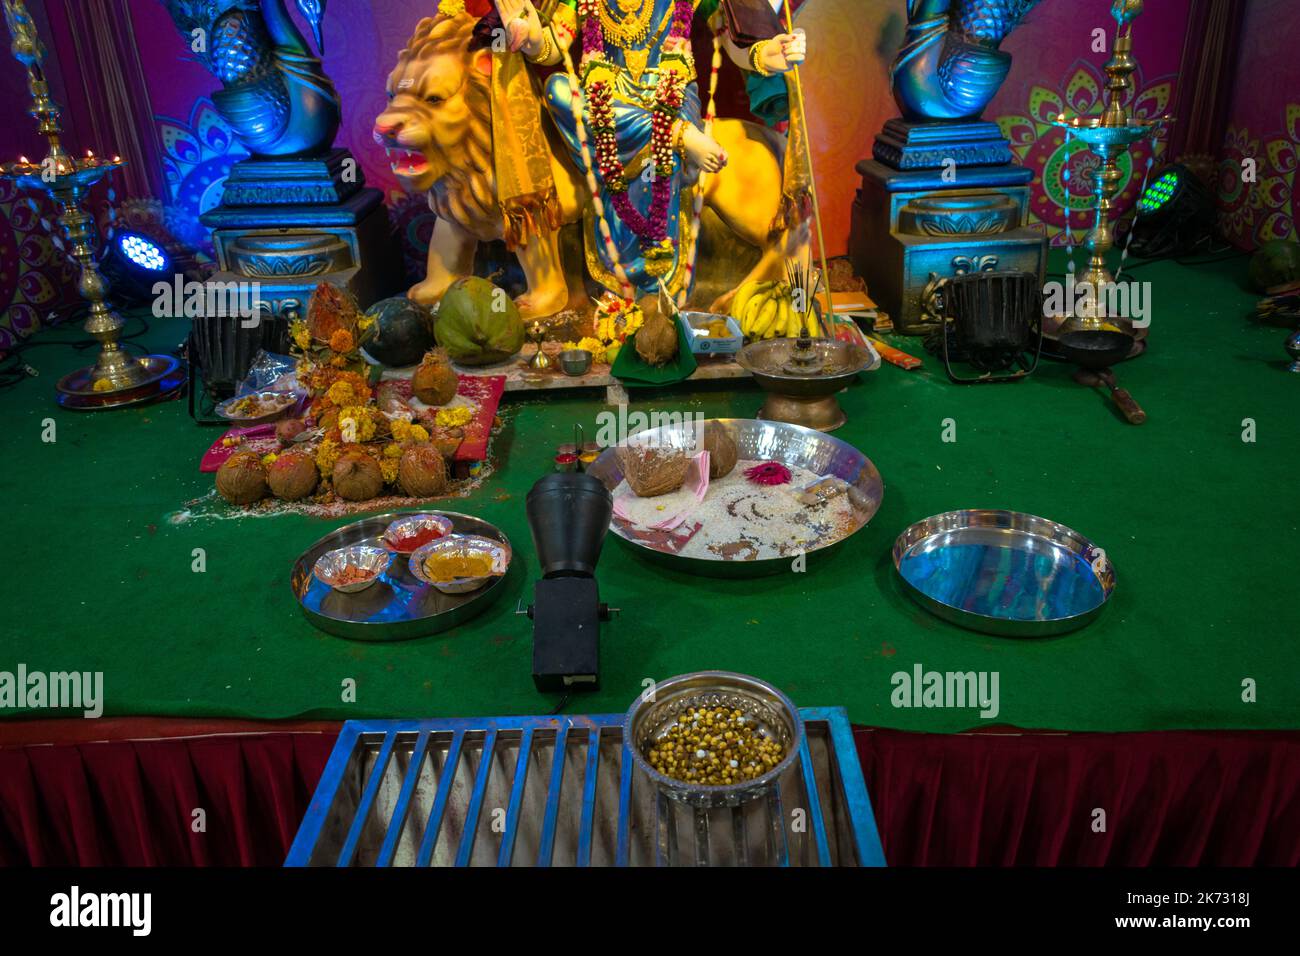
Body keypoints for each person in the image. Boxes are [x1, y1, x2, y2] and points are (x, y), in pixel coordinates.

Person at [494, 0, 807, 294]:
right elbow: (554, 45)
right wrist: (532, 37)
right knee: (557, 89)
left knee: (655, 142)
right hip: (607, 105)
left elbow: (731, 37)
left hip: (669, 96)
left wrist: (764, 54)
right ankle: (678, 136)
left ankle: (671, 132)